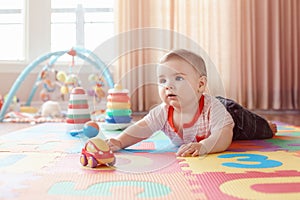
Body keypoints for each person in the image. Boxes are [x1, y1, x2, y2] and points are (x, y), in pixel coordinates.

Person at [106, 49, 277, 157]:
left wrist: (203, 147)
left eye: (178, 78)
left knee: (259, 128)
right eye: (162, 80)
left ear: (200, 84)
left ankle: (267, 124)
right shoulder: (163, 112)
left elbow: (223, 136)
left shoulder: (214, 109)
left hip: (234, 117)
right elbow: (142, 127)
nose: (168, 85)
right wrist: (119, 141)